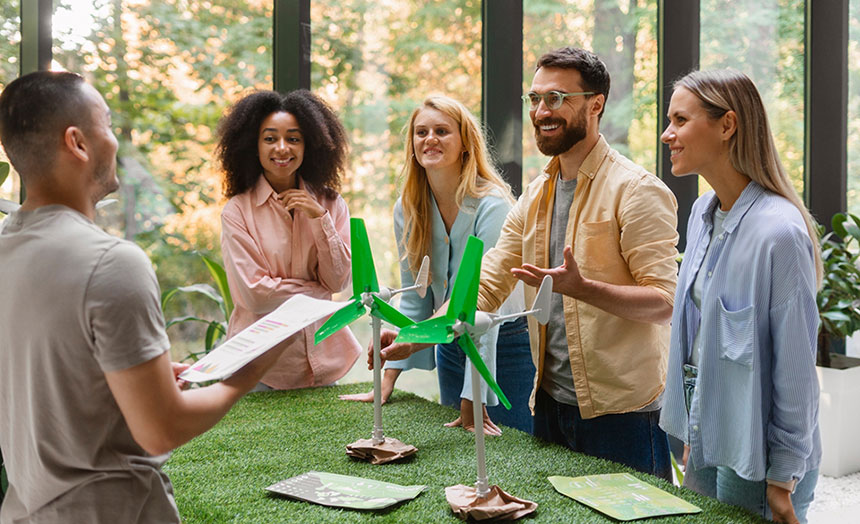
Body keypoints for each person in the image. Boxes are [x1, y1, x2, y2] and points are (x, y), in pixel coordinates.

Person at [0, 72, 289, 523]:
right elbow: (161, 429)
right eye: (108, 125)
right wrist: (248, 370)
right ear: (77, 142)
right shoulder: (111, 262)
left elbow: (47, 373)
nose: (115, 141)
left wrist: (137, 379)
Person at [378, 47, 679, 480]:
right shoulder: (536, 195)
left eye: (556, 98)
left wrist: (584, 288)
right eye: (534, 98)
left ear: (595, 104)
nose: (541, 111)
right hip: (550, 406)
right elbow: (482, 288)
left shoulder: (637, 191)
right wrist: (414, 337)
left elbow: (665, 302)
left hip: (623, 417)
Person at [658, 69, 821, 524]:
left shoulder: (779, 233)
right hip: (709, 443)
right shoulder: (701, 214)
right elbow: (698, 340)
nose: (667, 134)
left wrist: (783, 479)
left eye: (680, 120)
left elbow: (795, 370)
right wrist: (696, 426)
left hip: (762, 465)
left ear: (727, 125)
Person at [341, 95, 534, 434]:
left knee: (510, 452)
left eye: (442, 131)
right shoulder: (409, 207)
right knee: (461, 455)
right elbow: (416, 299)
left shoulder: (493, 206)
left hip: (505, 345)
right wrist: (388, 381)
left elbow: (480, 305)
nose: (429, 139)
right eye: (421, 132)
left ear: (464, 143)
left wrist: (473, 395)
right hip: (447, 342)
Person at [217, 89, 361, 390]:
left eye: (293, 138)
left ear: (309, 144)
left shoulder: (332, 205)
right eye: (270, 138)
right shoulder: (237, 212)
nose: (282, 148)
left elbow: (337, 282)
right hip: (261, 370)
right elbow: (254, 295)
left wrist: (319, 219)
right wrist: (316, 293)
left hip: (326, 365)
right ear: (252, 146)